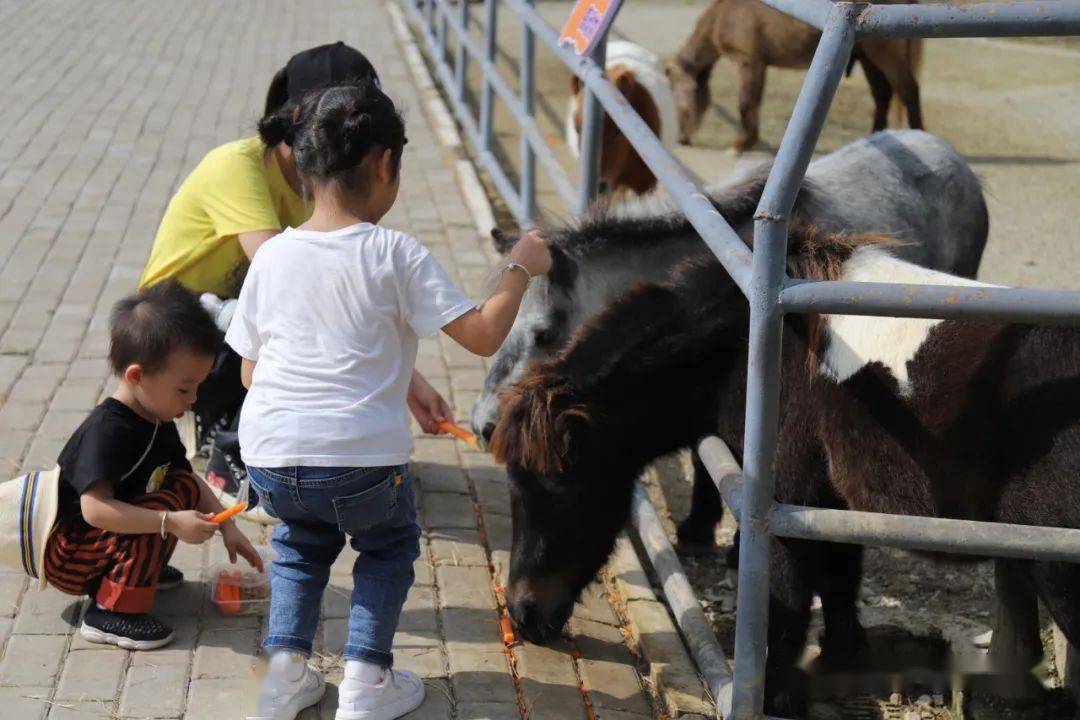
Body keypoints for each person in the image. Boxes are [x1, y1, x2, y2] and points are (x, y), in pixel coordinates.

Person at [228, 81, 551, 720]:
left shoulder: (273, 256)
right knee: (386, 545)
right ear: (383, 165)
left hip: (268, 457)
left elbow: (249, 373)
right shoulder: (395, 252)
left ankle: (285, 677)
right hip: (360, 464)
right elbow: (484, 336)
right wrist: (519, 266)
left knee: (298, 543)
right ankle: (367, 681)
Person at [137, 43, 383, 516]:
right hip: (172, 324)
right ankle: (227, 453)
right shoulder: (238, 165)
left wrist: (404, 379)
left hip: (235, 314)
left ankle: (284, 447)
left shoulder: (319, 183)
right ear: (299, 118)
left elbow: (343, 285)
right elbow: (290, 282)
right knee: (293, 327)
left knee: (304, 326)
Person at [43, 281, 263, 650]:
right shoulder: (108, 431)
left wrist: (229, 528)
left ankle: (138, 573)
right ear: (136, 376)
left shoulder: (156, 417)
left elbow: (187, 481)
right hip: (70, 552)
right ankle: (110, 612)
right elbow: (94, 509)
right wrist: (170, 523)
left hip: (101, 539)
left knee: (180, 486)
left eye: (198, 389)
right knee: (163, 508)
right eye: (184, 389)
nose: (193, 401)